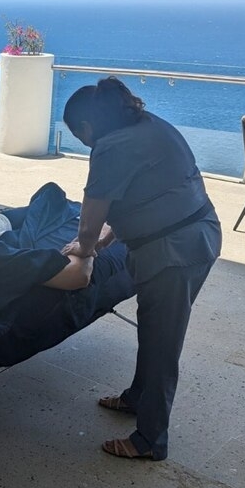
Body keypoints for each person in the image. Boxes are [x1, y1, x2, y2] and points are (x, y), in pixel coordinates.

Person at [61, 76, 221, 462]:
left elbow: (88, 225)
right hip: (198, 234)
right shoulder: (149, 124)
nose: (83, 144)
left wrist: (85, 248)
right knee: (153, 329)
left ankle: (151, 440)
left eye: (79, 136)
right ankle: (136, 397)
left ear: (87, 126)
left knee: (163, 343)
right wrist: (109, 238)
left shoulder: (109, 147)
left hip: (176, 253)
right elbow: (149, 191)